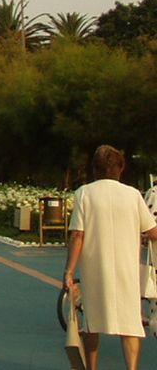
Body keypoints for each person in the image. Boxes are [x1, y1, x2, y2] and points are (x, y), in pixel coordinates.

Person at [64, 145, 157, 370]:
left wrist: (69, 271)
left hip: (96, 269)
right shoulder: (133, 195)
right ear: (120, 168)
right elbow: (152, 230)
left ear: (95, 169)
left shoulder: (84, 193)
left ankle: (92, 367)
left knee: (92, 322)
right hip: (127, 269)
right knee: (131, 324)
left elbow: (78, 235)